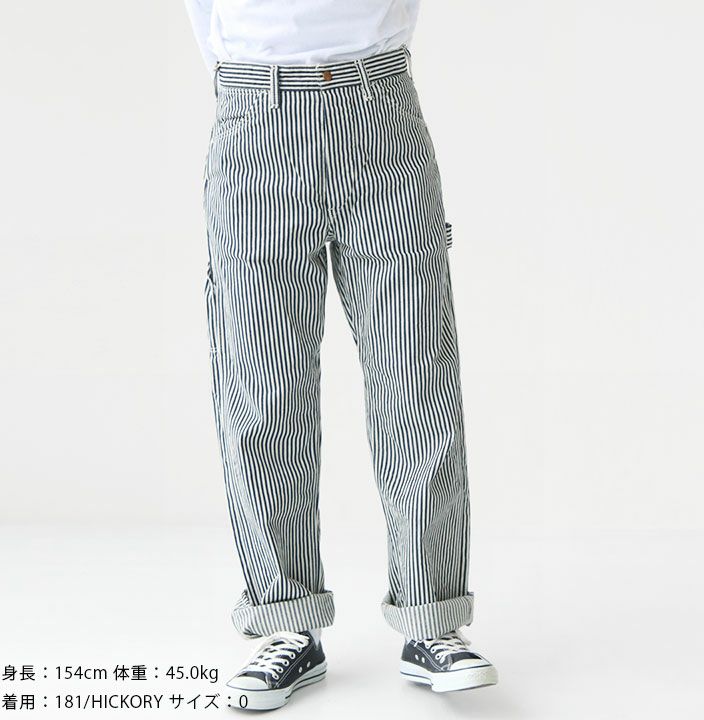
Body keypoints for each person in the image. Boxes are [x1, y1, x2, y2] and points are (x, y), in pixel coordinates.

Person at [184, 0, 498, 710]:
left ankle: (433, 621)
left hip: (377, 103)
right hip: (255, 114)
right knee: (261, 390)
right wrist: (246, 79)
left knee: (417, 378)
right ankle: (285, 622)